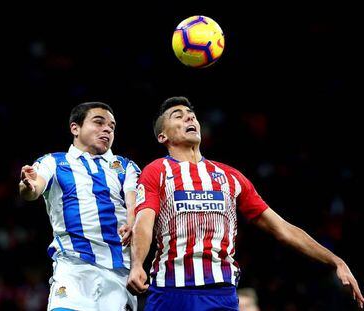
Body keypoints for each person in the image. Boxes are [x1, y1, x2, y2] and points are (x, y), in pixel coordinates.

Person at [127, 96, 364, 310]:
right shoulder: (156, 171)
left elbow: (282, 228)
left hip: (221, 294)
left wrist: (335, 260)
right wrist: (137, 264)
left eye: (191, 114)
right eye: (177, 116)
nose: (189, 117)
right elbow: (144, 221)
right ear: (163, 136)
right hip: (170, 292)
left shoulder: (230, 176)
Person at [19, 102, 140, 311]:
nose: (107, 129)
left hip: (120, 272)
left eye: (112, 126)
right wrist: (28, 185)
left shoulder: (125, 166)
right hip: (73, 267)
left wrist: (131, 224)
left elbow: (133, 203)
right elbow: (33, 189)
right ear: (75, 128)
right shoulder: (54, 162)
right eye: (99, 122)